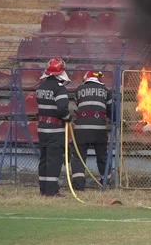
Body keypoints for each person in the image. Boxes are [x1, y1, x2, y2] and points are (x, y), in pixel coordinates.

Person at [36, 58, 72, 197]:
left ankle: (43, 189)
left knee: (44, 159)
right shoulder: (59, 88)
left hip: (42, 129)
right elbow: (62, 108)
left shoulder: (41, 87)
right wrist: (67, 117)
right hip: (55, 130)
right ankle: (51, 191)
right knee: (54, 160)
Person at [71, 71, 113, 191]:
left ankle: (79, 185)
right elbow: (110, 110)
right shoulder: (106, 91)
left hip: (81, 130)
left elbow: (77, 106)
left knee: (79, 157)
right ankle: (105, 183)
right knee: (102, 156)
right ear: (98, 79)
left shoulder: (79, 90)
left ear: (85, 79)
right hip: (99, 129)